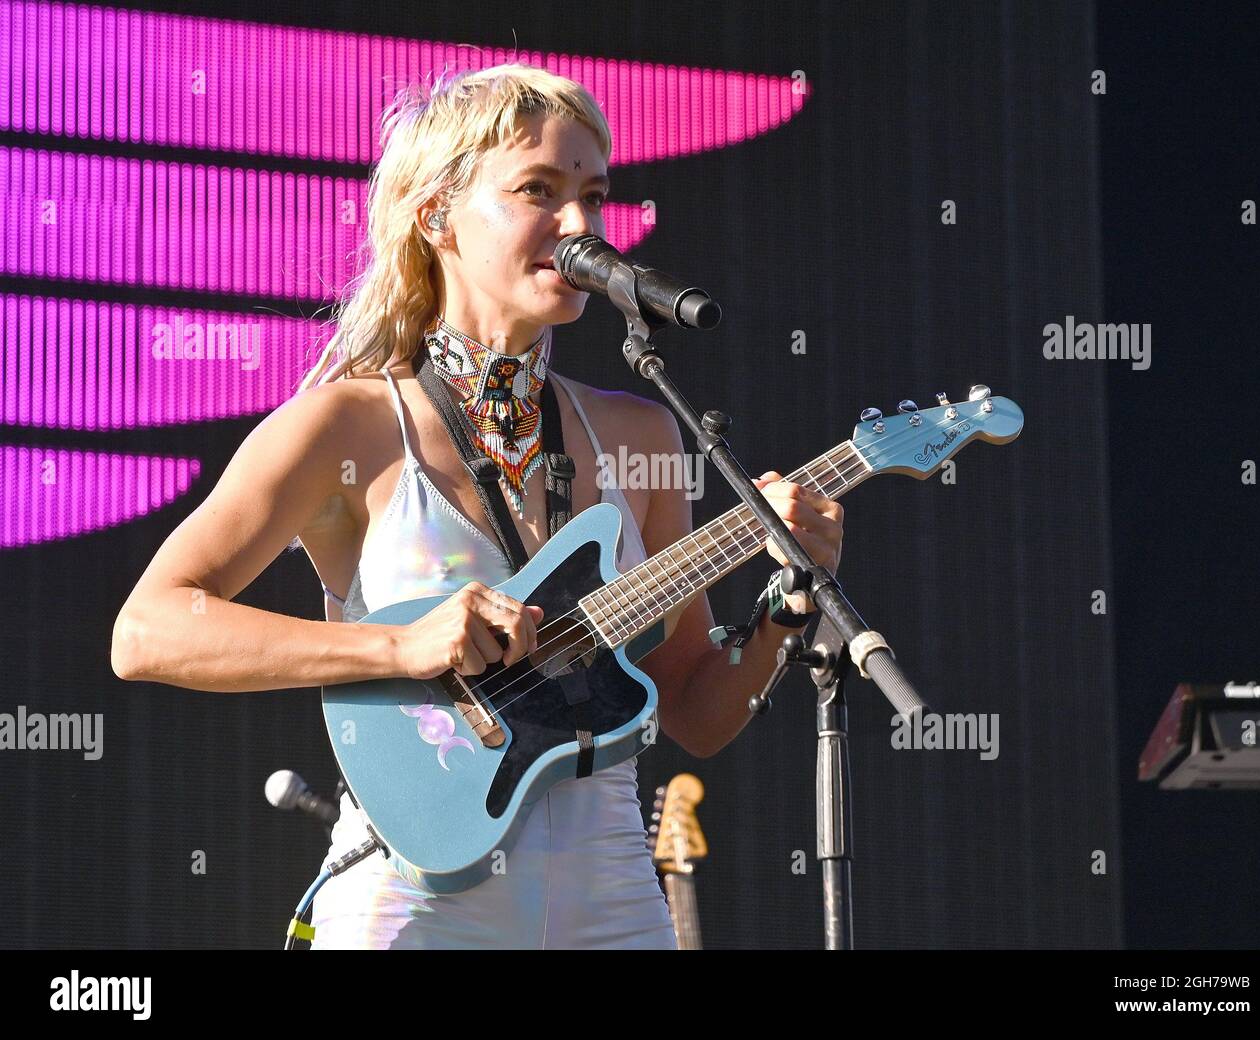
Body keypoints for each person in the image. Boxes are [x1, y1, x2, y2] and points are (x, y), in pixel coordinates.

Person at [110, 63, 845, 949]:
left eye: (594, 196)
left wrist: (785, 606)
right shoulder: (346, 425)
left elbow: (694, 709)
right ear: (436, 216)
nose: (580, 226)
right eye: (538, 190)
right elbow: (147, 630)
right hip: (409, 906)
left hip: (614, 904)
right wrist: (399, 646)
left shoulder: (642, 431)